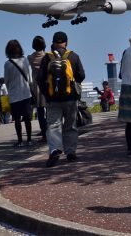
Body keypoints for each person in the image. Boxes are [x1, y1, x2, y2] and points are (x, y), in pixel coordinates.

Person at [38, 31, 85, 167]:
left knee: (53, 125)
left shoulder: (47, 58)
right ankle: (70, 152)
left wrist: (47, 94)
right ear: (66, 42)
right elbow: (81, 76)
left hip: (53, 99)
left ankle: (54, 149)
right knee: (70, 125)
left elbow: (40, 79)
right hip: (70, 98)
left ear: (53, 43)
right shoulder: (73, 56)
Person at [4, 39, 33, 147]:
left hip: (14, 95)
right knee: (27, 119)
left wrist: (10, 87)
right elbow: (30, 79)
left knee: (16, 119)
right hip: (26, 93)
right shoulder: (25, 60)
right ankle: (29, 139)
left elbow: (6, 80)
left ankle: (20, 141)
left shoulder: (7, 64)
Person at [27, 35, 48, 138]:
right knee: (49, 109)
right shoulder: (47, 56)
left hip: (36, 85)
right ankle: (50, 130)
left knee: (40, 111)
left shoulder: (30, 57)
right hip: (47, 83)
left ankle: (44, 131)